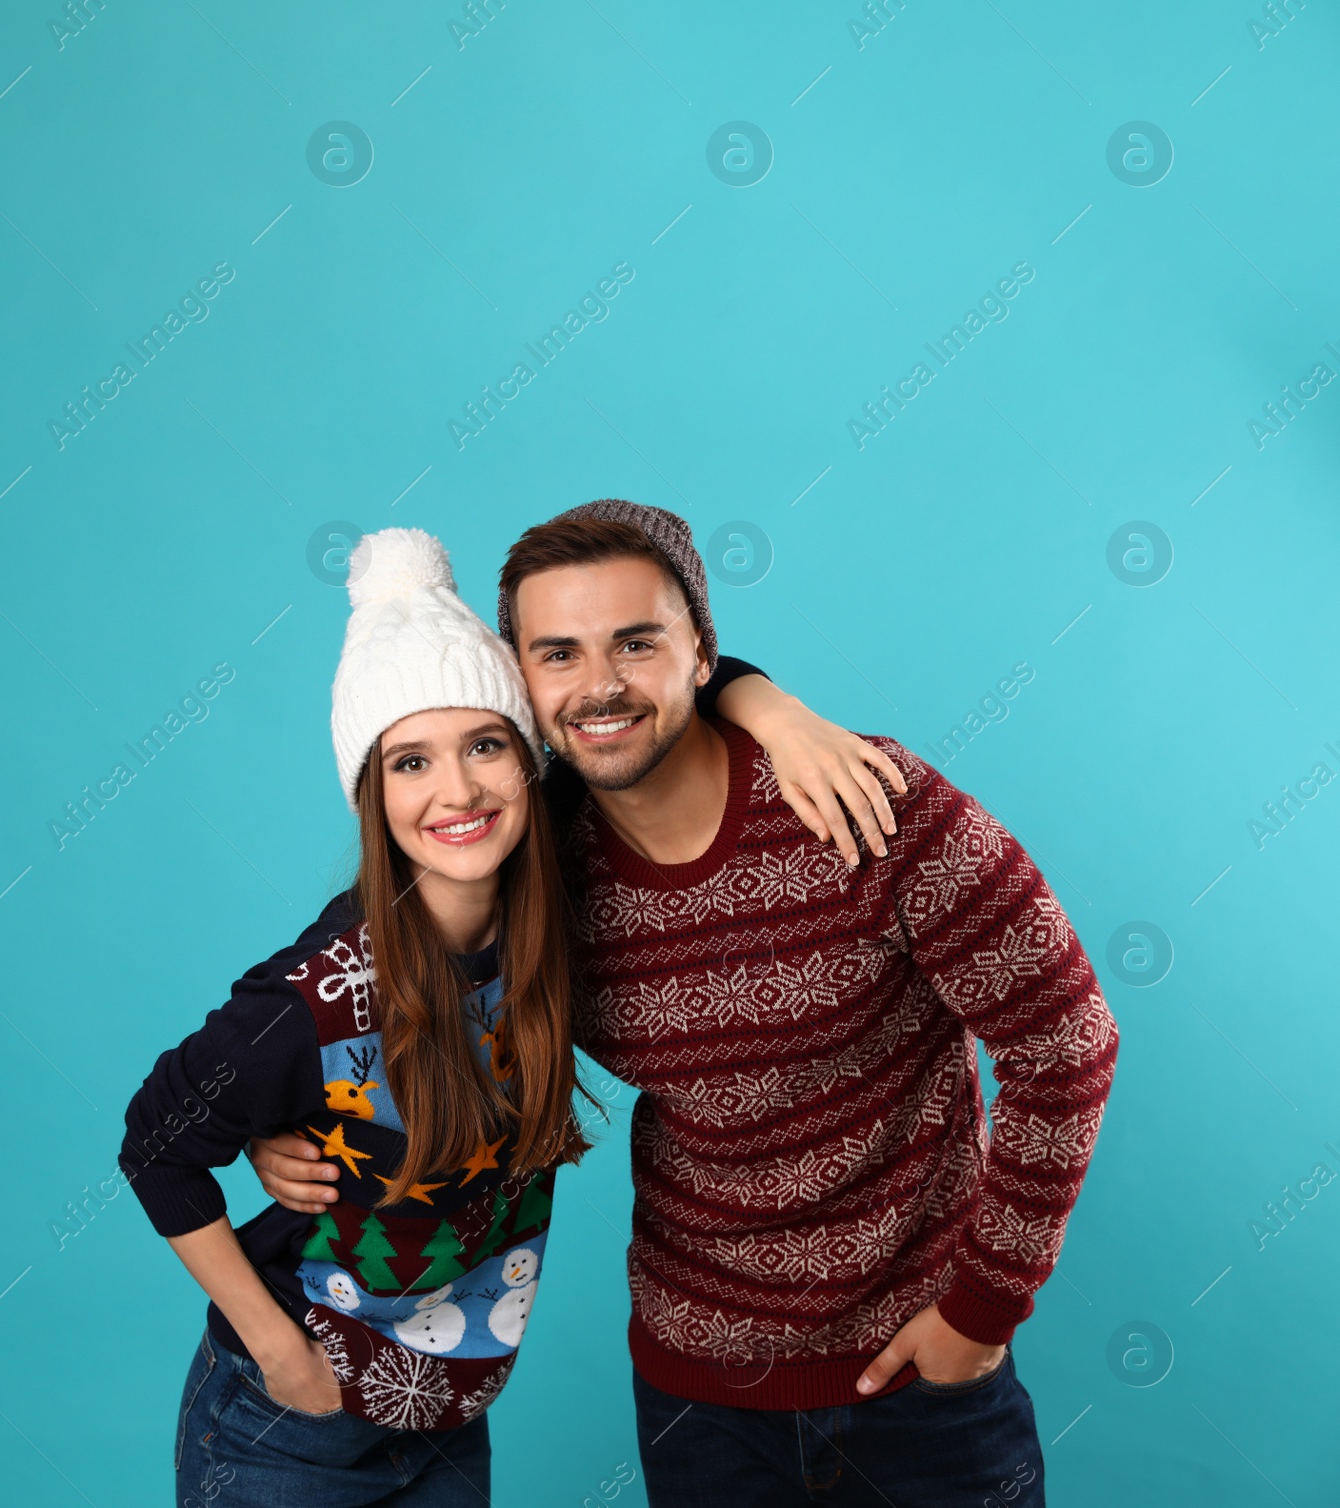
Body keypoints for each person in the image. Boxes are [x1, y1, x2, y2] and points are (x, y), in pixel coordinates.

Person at [255, 501, 1120, 1507]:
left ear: (701, 651)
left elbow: (1065, 1043)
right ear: (519, 681)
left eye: (636, 641)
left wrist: (984, 1306)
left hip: (920, 1380)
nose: (599, 683)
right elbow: (382, 976)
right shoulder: (531, 858)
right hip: (695, 1393)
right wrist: (290, 1122)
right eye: (558, 653)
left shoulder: (863, 800)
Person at [119, 524, 898, 1508]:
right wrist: (278, 1347)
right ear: (369, 791)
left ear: (527, 762)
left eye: (485, 745)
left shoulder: (558, 905)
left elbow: (648, 692)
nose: (457, 790)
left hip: (446, 1409)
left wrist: (776, 714)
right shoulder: (315, 993)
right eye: (408, 763)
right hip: (293, 1414)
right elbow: (157, 1143)